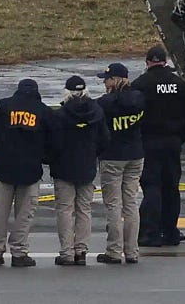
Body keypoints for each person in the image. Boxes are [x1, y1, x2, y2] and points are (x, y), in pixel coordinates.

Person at [131, 44, 185, 248]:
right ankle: (170, 231)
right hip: (173, 142)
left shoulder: (141, 84)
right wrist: (178, 138)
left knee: (152, 187)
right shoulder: (179, 84)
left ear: (148, 62)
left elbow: (134, 116)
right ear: (165, 61)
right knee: (171, 187)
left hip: (149, 142)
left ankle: (150, 232)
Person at [0, 78, 52, 267]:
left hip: (4, 167)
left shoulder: (4, 105)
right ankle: (19, 252)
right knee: (24, 215)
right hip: (30, 170)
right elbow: (51, 140)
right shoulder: (44, 111)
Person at [47, 75, 109, 266]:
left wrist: (52, 159)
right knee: (84, 210)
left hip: (64, 168)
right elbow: (104, 140)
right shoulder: (96, 111)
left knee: (65, 210)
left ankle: (66, 252)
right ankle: (81, 250)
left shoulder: (60, 115)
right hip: (87, 167)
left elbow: (53, 144)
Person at [95, 62, 145, 264]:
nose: (105, 83)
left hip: (112, 156)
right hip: (135, 154)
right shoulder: (140, 99)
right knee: (131, 203)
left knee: (114, 205)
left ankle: (114, 250)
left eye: (106, 79)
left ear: (114, 79)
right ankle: (132, 251)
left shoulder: (104, 104)